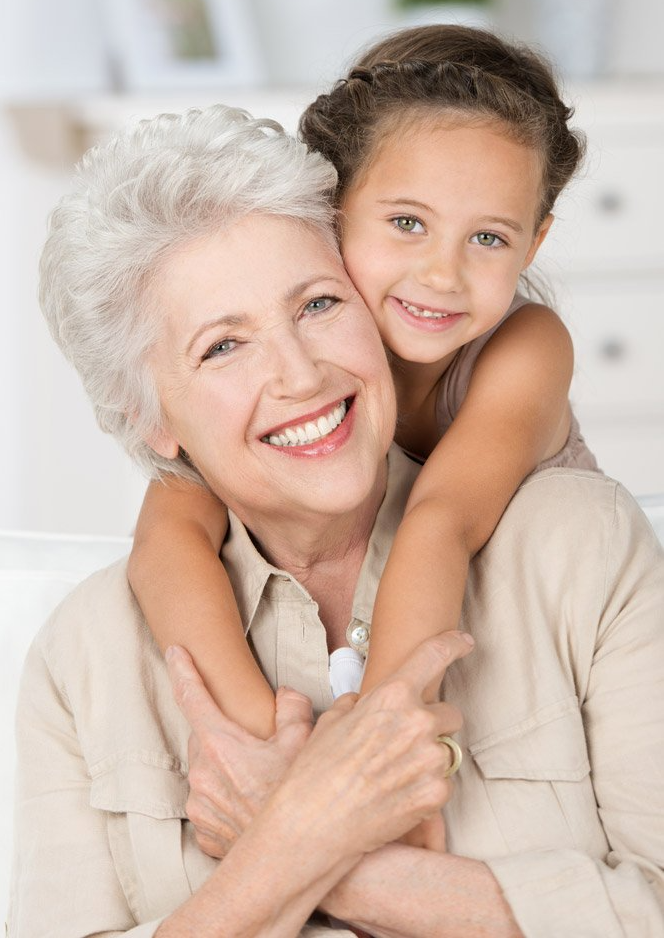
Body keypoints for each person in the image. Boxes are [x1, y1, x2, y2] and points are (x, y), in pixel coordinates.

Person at [10, 104, 664, 938]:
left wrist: (292, 843)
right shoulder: (84, 659)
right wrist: (301, 837)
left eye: (318, 305)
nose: (299, 375)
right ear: (151, 418)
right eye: (222, 347)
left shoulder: (582, 549)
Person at [126, 26, 600, 766]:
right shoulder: (299, 373)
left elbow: (438, 524)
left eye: (489, 239)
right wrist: (268, 740)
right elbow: (167, 541)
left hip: (536, 647)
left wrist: (376, 751)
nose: (442, 275)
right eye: (407, 223)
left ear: (534, 244)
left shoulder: (524, 348)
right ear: (332, 207)